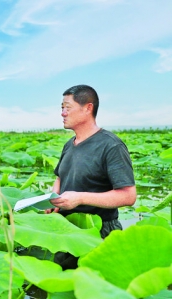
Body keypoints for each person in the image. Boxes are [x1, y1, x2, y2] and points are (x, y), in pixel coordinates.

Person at [46, 84, 136, 269]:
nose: (63, 113)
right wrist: (52, 199)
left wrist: (79, 198)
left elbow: (128, 195)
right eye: (61, 108)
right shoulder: (69, 145)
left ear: (88, 108)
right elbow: (60, 178)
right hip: (66, 230)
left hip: (98, 232)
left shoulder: (111, 146)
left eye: (67, 107)